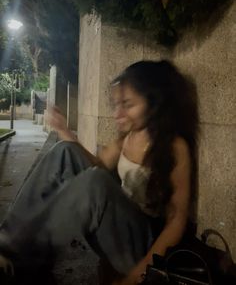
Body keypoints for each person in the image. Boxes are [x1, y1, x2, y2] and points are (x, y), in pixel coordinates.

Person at [0, 60, 199, 285]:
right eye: (116, 105)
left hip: (145, 245)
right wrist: (64, 130)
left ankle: (22, 253)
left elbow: (177, 220)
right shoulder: (127, 137)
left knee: (96, 181)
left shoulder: (174, 146)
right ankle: (7, 245)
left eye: (128, 104)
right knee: (66, 151)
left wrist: (137, 276)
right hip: (115, 226)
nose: (118, 113)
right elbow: (95, 164)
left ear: (154, 103)